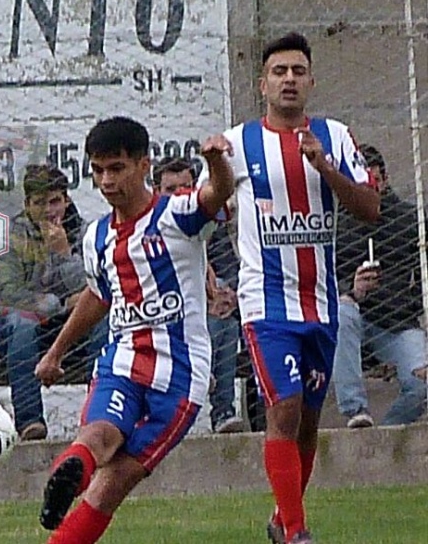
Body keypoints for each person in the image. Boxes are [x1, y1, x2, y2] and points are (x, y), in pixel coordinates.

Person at [199, 33, 380, 544]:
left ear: (311, 81)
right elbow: (209, 206)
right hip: (265, 302)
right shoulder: (237, 142)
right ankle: (298, 532)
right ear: (263, 85)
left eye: (298, 71)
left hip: (321, 302)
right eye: (279, 72)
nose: (289, 80)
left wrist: (323, 165)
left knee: (307, 423)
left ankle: (282, 523)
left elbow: (370, 209)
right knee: (284, 408)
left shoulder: (336, 136)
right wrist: (215, 167)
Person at [33, 116, 234, 543]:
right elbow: (98, 295)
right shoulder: (96, 237)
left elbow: (218, 193)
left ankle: (71, 475)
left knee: (114, 481)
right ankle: (69, 473)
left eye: (117, 168)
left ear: (144, 165)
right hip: (121, 361)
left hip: (180, 374)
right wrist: (56, 352)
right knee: (98, 437)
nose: (107, 181)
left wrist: (216, 161)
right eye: (98, 170)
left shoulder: (177, 214)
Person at [0, 165, 107, 441]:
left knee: (104, 322)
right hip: (15, 332)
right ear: (27, 204)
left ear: (67, 200)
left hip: (68, 331)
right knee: (23, 323)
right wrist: (62, 303)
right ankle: (30, 422)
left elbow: (95, 289)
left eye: (55, 201)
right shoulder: (10, 237)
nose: (49, 210)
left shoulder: (86, 233)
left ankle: (98, 417)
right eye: (40, 203)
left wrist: (64, 253)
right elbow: (6, 292)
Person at [331, 144, 426, 428]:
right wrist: (352, 288)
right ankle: (355, 409)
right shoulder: (339, 224)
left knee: (422, 386)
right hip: (354, 317)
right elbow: (324, 277)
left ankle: (383, 434)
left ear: (383, 179)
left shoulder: (410, 219)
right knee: (342, 313)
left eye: (372, 181)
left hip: (397, 322)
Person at [153, 157, 247, 434]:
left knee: (226, 326)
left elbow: (232, 266)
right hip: (165, 315)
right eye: (171, 189)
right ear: (157, 191)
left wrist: (227, 293)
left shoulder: (208, 221)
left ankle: (223, 413)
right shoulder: (153, 226)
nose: (181, 195)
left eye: (187, 186)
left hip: (211, 315)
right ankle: (198, 377)